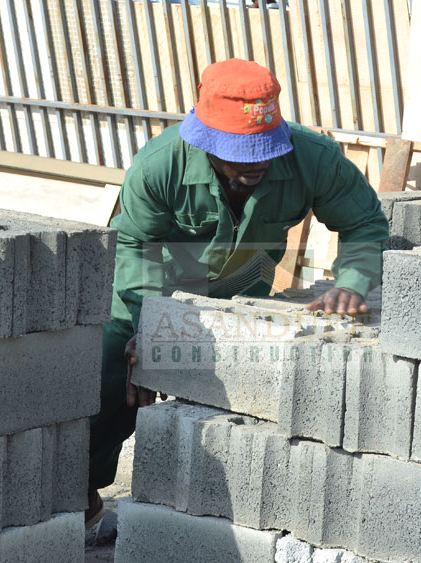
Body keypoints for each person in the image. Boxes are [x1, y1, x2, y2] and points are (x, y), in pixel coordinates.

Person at [86, 58, 388, 531]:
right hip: (148, 295)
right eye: (240, 154)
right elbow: (134, 246)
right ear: (205, 139)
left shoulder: (314, 158)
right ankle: (83, 493)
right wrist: (149, 331)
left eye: (265, 151)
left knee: (230, 405)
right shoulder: (158, 165)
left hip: (237, 298)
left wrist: (352, 281)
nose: (255, 165)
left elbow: (365, 221)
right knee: (112, 385)